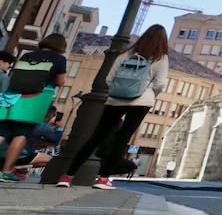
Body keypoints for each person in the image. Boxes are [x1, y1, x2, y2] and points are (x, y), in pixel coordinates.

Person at [56, 27, 170, 190]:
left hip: (116, 99)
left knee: (96, 137)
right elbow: (160, 84)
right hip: (142, 101)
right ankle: (103, 180)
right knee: (123, 139)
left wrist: (118, 92)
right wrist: (149, 93)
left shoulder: (125, 54)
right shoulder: (161, 58)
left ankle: (67, 176)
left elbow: (109, 79)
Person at [0, 36, 67, 183]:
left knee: (3, 131)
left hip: (14, 96)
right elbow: (60, 81)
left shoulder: (27, 55)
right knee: (21, 133)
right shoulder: (59, 59)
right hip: (35, 99)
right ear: (61, 46)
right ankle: (5, 171)